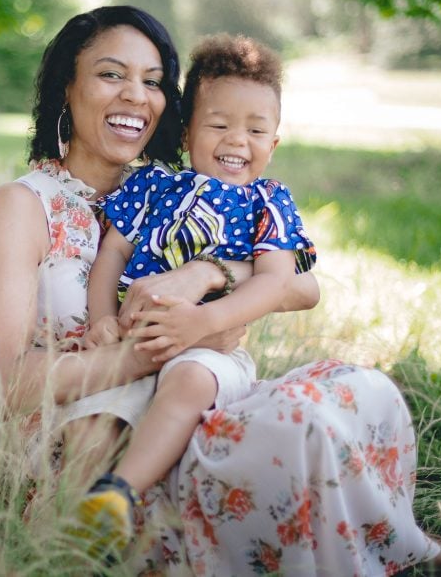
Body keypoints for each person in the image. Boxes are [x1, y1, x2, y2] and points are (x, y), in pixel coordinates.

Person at [0, 5, 441, 575]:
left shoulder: (177, 187)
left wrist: (206, 274)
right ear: (66, 86)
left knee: (350, 395)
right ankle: (425, 562)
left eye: (153, 82)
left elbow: (302, 285)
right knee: (296, 436)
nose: (136, 97)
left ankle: (421, 554)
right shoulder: (24, 205)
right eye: (111, 74)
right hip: (94, 432)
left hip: (192, 387)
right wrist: (144, 352)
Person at [74, 33, 318, 557]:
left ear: (273, 143)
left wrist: (203, 326)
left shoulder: (267, 203)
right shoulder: (154, 186)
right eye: (220, 124)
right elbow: (111, 254)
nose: (237, 141)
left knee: (187, 379)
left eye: (256, 130)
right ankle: (88, 538)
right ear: (186, 132)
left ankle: (118, 494)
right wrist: (100, 318)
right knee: (95, 417)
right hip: (132, 347)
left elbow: (276, 282)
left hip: (210, 352)